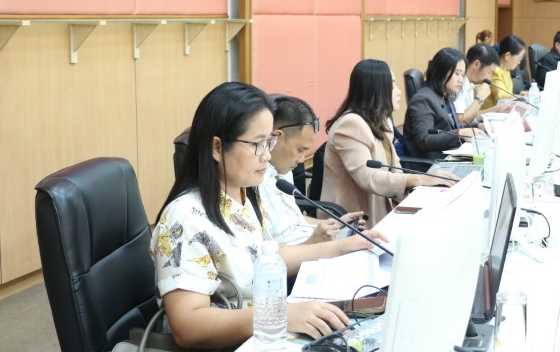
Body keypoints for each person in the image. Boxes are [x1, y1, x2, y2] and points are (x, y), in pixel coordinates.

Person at [151, 82, 387, 350]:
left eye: (269, 142)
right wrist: (279, 316)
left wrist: (345, 246)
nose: (267, 155)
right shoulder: (184, 218)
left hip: (263, 335)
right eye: (258, 144)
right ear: (217, 147)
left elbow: (267, 256)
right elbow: (189, 326)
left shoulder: (243, 194)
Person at [321, 59, 458, 226]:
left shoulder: (381, 121)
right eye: (393, 85)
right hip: (353, 220)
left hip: (383, 208)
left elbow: (395, 170)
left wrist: (425, 184)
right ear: (377, 90)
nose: (399, 92)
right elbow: (368, 177)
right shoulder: (350, 124)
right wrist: (418, 179)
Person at [258, 94, 366, 245]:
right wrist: (312, 243)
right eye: (300, 150)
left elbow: (294, 220)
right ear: (277, 138)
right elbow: (267, 251)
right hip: (300, 254)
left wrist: (335, 224)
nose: (302, 159)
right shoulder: (253, 179)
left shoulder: (283, 170)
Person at [403, 47, 473, 160]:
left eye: (462, 75)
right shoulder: (423, 100)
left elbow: (449, 128)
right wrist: (460, 133)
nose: (461, 80)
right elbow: (424, 140)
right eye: (457, 74)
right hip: (432, 164)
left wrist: (477, 127)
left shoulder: (445, 95)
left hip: (447, 157)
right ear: (441, 72)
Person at [454, 43, 505, 126]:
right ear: (476, 64)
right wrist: (480, 98)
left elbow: (471, 116)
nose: (489, 78)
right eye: (490, 72)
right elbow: (461, 122)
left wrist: (498, 108)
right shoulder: (458, 83)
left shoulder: (470, 83)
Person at [483, 35, 527, 110]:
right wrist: (516, 96)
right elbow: (500, 95)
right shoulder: (495, 70)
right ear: (508, 55)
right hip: (488, 113)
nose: (519, 62)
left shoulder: (506, 70)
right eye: (519, 58)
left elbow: (506, 94)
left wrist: (517, 96)